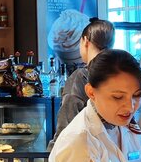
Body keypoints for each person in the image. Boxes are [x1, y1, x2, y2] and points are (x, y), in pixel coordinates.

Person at [49, 18, 115, 149]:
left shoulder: (81, 77)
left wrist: (53, 152)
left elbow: (66, 125)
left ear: (85, 41)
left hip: (86, 152)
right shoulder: (120, 75)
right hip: (116, 151)